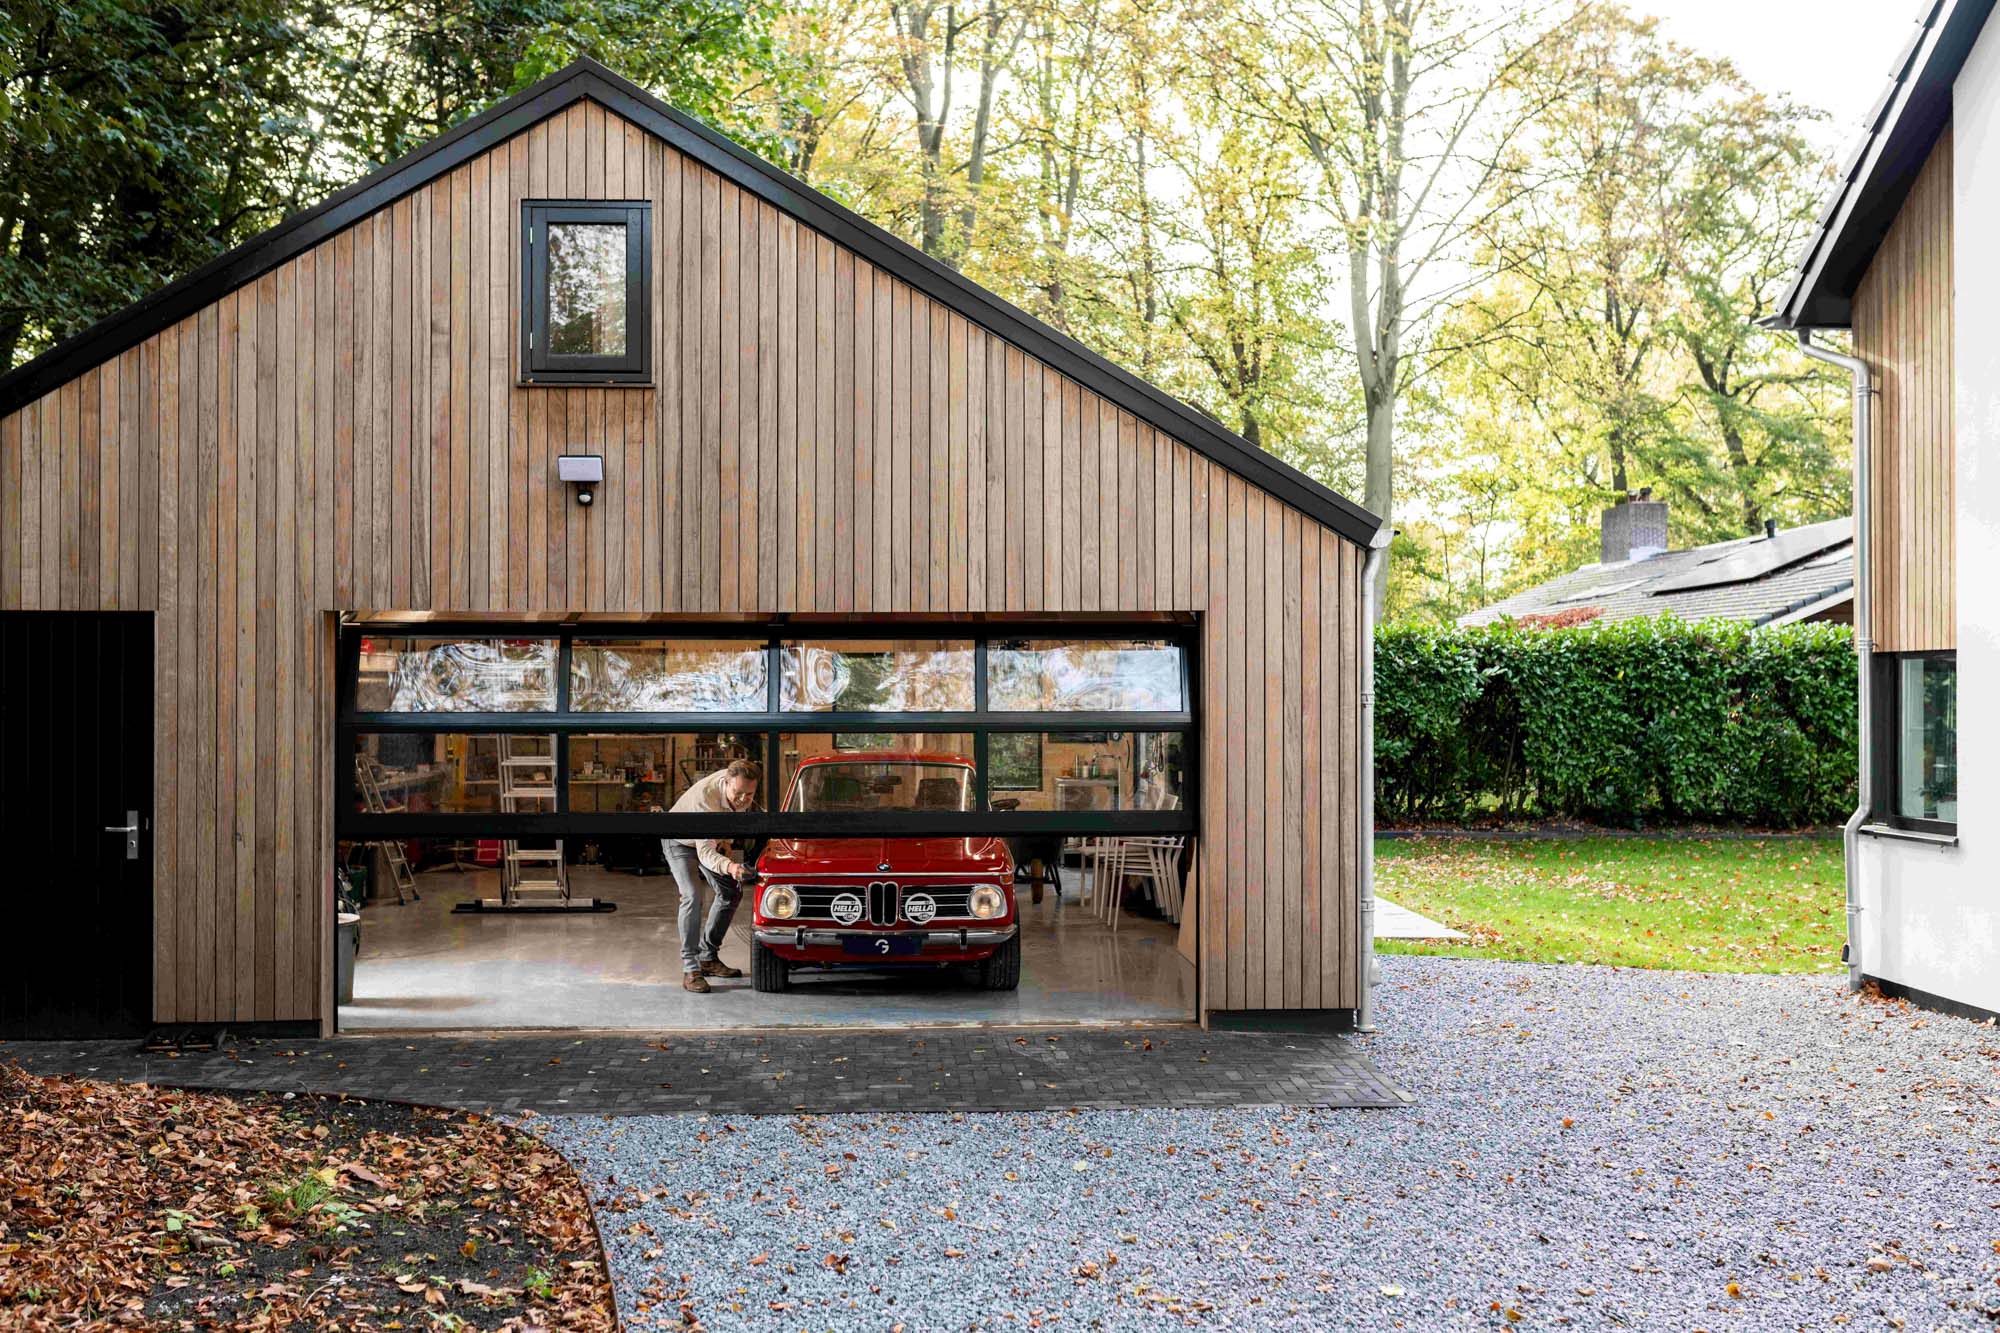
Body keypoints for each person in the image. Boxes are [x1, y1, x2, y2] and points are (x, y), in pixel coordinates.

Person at [662, 758, 761, 993]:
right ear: (725, 783)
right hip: (679, 840)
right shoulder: (705, 800)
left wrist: (725, 842)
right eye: (738, 793)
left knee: (731, 892)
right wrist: (732, 867)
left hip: (708, 839)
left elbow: (730, 819)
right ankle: (691, 968)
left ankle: (708, 956)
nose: (743, 799)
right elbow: (705, 853)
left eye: (749, 794)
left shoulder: (741, 791)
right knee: (692, 896)